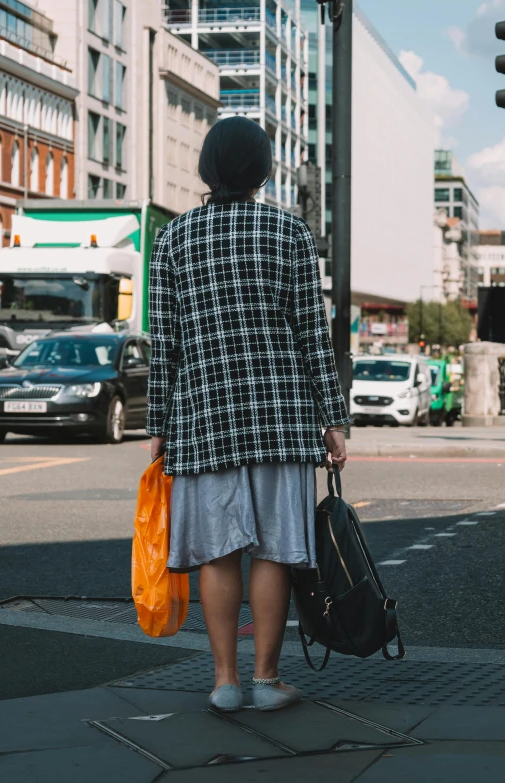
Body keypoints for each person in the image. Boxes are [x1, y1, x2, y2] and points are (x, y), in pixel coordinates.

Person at [147, 116, 349, 713]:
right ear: (263, 169)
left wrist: (157, 426)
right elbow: (313, 335)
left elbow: (167, 343)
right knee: (275, 550)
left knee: (216, 552)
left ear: (207, 168)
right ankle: (266, 681)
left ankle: (223, 683)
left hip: (204, 416)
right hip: (281, 417)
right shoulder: (288, 232)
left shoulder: (174, 239)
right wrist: (332, 419)